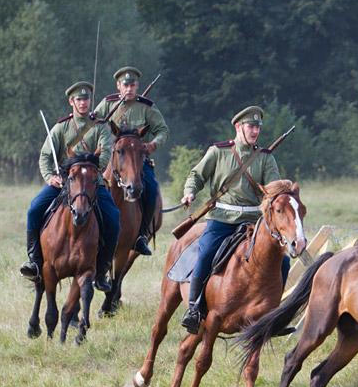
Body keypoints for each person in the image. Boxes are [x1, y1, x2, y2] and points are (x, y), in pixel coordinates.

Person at [179, 106, 283, 334]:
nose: (255, 131)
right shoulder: (218, 152)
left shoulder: (265, 158)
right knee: (206, 253)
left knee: (282, 260)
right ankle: (194, 309)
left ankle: (275, 316)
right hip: (222, 218)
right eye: (251, 126)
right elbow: (197, 175)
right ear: (238, 127)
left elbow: (273, 190)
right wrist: (190, 192)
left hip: (254, 221)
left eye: (257, 127)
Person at [20, 82, 120, 292]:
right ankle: (35, 262)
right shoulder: (61, 127)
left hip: (92, 183)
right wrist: (50, 177)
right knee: (34, 210)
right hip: (63, 183)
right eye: (79, 99)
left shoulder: (101, 126)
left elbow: (105, 155)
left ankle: (101, 270)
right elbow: (45, 156)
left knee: (113, 218)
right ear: (71, 102)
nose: (83, 103)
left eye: (86, 99)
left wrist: (90, 171)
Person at [92, 66, 168, 255]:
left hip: (137, 160)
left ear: (137, 86)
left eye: (132, 85)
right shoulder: (108, 104)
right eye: (125, 85)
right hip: (110, 159)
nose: (129, 89)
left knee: (151, 189)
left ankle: (141, 235)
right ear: (118, 86)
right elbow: (92, 125)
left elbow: (162, 130)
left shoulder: (146, 107)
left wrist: (152, 145)